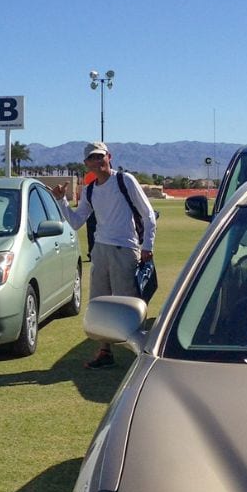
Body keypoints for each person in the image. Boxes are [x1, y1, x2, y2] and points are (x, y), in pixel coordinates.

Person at [52, 141, 157, 368]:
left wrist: (147, 245)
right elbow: (76, 221)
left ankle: (139, 354)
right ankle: (105, 352)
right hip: (100, 250)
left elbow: (148, 214)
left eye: (100, 157)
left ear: (109, 156)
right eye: (92, 158)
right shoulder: (89, 190)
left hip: (125, 249)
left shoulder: (124, 181)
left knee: (127, 302)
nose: (97, 161)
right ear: (86, 163)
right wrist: (61, 200)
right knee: (100, 302)